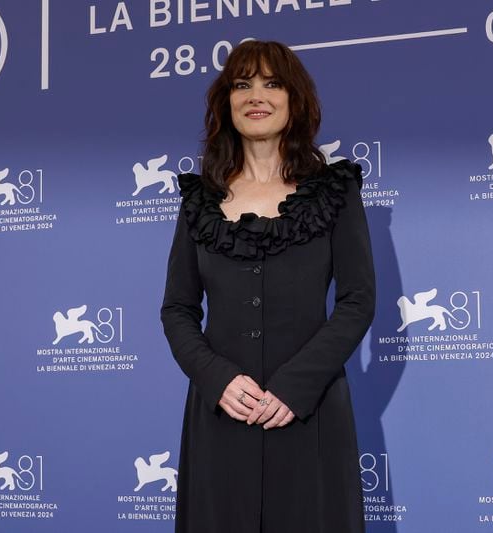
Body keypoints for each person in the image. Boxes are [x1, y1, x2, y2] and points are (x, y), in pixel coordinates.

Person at [160, 40, 376, 533]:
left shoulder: (335, 192)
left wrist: (295, 386)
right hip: (221, 415)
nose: (256, 95)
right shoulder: (199, 202)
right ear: (226, 103)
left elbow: (357, 300)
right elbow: (177, 308)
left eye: (271, 83)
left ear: (294, 99)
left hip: (308, 413)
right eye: (242, 84)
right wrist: (217, 380)